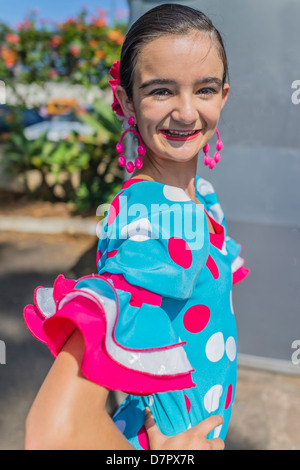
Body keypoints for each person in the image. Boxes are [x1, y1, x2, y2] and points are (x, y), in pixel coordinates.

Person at [23, 4, 249, 450]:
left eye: (203, 89)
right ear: (126, 100)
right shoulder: (156, 221)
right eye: (161, 91)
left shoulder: (199, 196)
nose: (186, 112)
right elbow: (53, 433)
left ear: (223, 96)